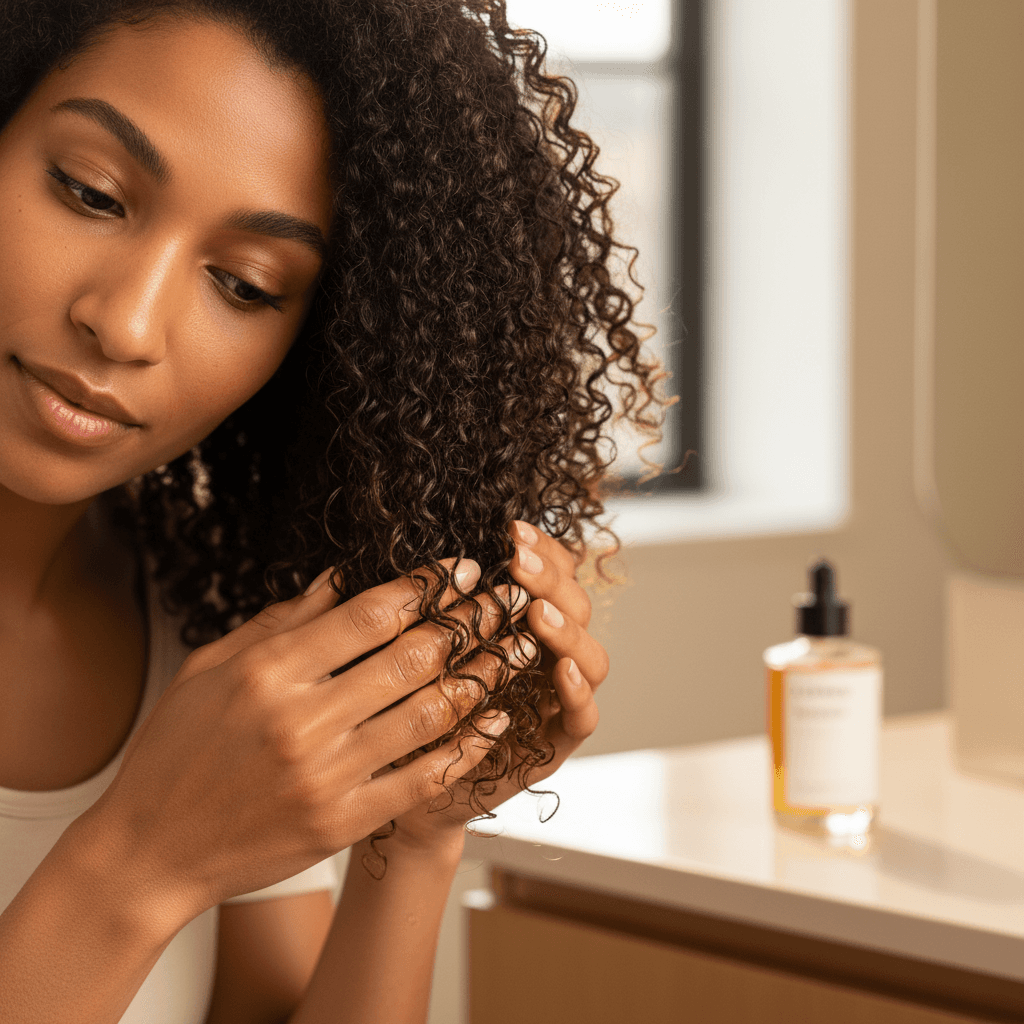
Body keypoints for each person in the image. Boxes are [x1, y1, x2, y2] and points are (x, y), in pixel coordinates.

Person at [0, 0, 673, 1021]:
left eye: (243, 282)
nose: (126, 323)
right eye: (91, 193)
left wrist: (419, 826)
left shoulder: (203, 631)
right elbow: (140, 871)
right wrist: (139, 863)